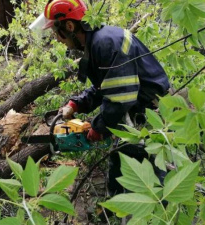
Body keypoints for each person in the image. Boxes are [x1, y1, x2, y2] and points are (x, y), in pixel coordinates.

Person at [41, 0, 170, 196]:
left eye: (56, 32)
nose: (57, 39)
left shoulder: (106, 43)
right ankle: (113, 211)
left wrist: (98, 127)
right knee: (120, 160)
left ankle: (155, 211)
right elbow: (106, 86)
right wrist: (76, 104)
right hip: (136, 107)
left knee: (147, 173)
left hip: (149, 112)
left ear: (69, 26)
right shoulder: (99, 41)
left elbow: (120, 96)